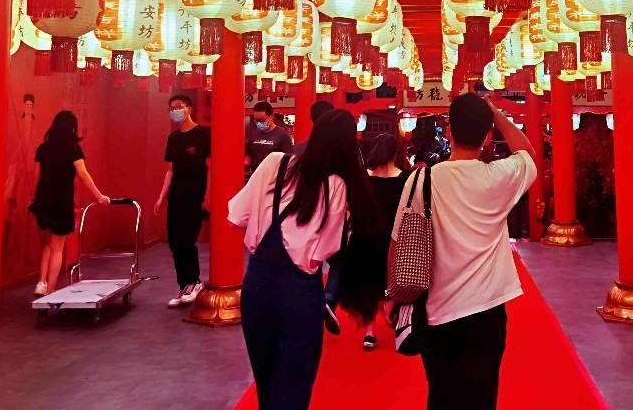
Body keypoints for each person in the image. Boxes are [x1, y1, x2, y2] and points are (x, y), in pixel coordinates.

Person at [392, 94, 537, 410]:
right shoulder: (499, 176)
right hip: (487, 311)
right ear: (487, 136)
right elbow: (528, 152)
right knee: (482, 397)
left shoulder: (423, 179)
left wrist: (396, 294)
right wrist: (495, 113)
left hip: (437, 310)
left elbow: (398, 243)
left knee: (441, 395)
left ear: (449, 130)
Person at [228, 109, 378, 410]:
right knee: (294, 383)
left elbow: (235, 216)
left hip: (257, 285)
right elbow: (329, 248)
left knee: (265, 376)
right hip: (300, 293)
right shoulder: (336, 184)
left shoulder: (274, 163)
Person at [338, 133, 408, 350]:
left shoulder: (362, 178)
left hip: (364, 240)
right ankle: (390, 310)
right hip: (392, 240)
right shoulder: (405, 179)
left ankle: (369, 332)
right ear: (395, 153)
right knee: (391, 282)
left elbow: (350, 207)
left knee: (366, 287)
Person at [29, 111, 109, 297]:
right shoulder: (73, 149)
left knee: (47, 244)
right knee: (58, 247)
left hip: (42, 199)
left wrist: (36, 200)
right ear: (72, 128)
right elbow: (83, 174)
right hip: (61, 199)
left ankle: (41, 283)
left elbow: (36, 176)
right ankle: (50, 291)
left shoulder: (43, 148)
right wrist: (98, 196)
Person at [154, 95, 211, 308]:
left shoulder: (203, 134)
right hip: (176, 196)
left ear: (189, 109)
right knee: (174, 242)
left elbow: (211, 167)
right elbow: (170, 171)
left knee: (187, 240)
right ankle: (184, 284)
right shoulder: (174, 138)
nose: (175, 111)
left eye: (179, 107)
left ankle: (194, 282)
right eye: (171, 108)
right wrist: (161, 197)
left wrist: (208, 197)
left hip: (195, 196)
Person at [247, 101, 294, 173]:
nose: (258, 123)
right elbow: (248, 154)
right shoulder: (253, 133)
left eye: (261, 120)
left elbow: (290, 159)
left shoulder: (283, 135)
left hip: (274, 175)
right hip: (256, 174)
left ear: (271, 117)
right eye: (256, 120)